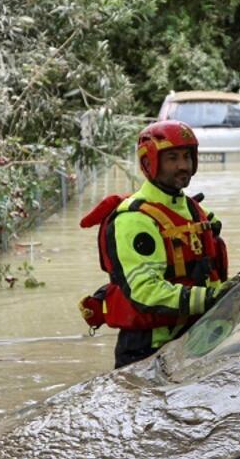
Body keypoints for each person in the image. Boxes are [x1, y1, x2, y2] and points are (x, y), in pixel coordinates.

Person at [79, 120, 231, 368]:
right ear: (150, 163)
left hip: (195, 340)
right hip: (147, 349)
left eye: (186, 157)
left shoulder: (193, 210)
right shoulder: (133, 219)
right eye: (172, 158)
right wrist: (211, 298)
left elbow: (210, 277)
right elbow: (146, 291)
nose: (183, 166)